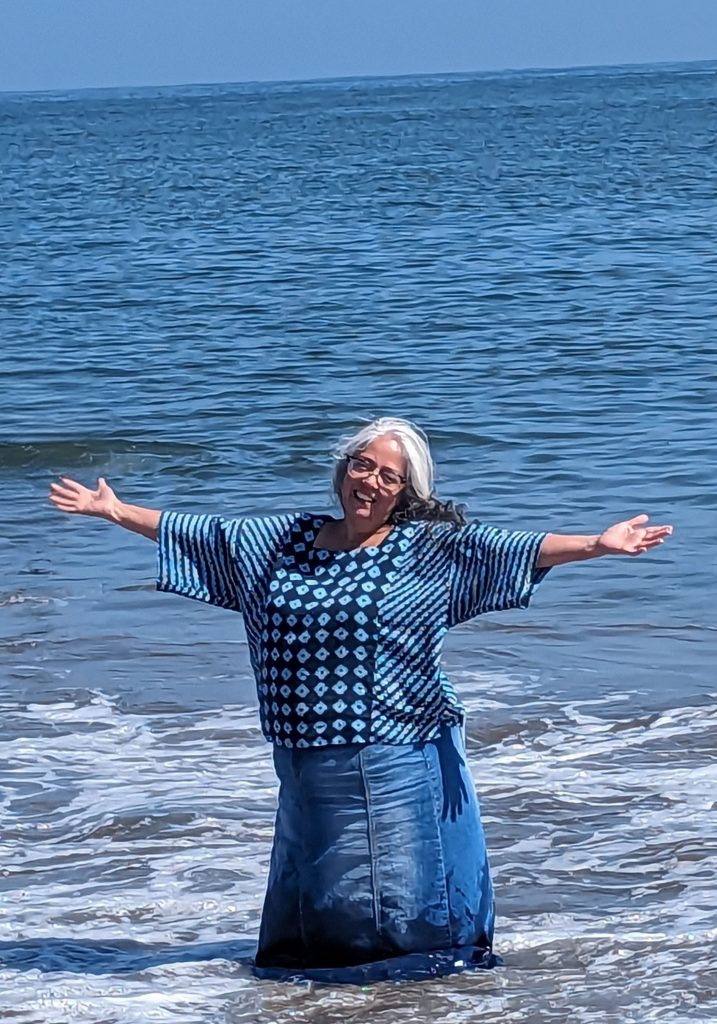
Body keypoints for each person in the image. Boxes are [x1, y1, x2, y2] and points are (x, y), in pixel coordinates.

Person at [49, 416, 673, 976]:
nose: (370, 482)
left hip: (396, 750)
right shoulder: (282, 542)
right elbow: (207, 534)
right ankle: (319, 987)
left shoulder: (429, 550)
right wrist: (116, 511)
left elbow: (510, 548)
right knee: (316, 899)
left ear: (407, 493)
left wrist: (596, 545)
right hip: (301, 753)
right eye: (362, 465)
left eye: (389, 476)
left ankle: (411, 988)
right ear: (342, 471)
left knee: (401, 900)